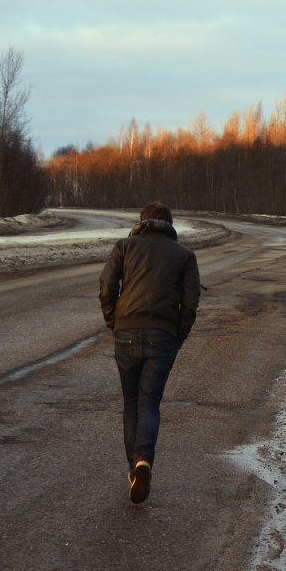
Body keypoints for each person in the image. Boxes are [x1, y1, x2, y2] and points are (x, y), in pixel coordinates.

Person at [99, 202, 201, 504]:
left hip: (126, 334)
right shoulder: (184, 255)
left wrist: (114, 323)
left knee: (131, 403)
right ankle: (144, 459)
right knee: (149, 403)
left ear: (142, 222)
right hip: (162, 336)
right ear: (170, 224)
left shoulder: (124, 246)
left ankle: (135, 471)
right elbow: (191, 303)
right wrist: (177, 336)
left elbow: (106, 287)